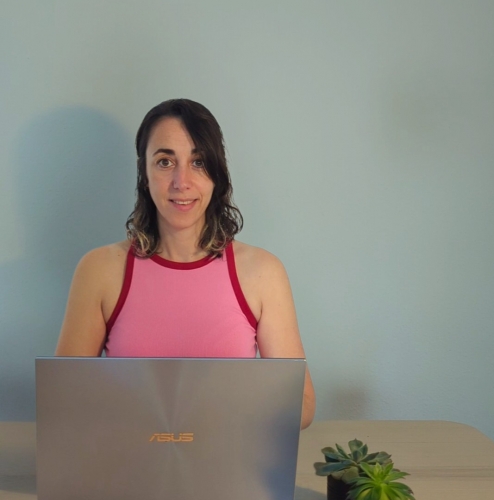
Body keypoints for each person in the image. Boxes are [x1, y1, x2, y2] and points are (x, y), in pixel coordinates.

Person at [55, 99, 315, 429]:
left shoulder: (263, 273)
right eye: (165, 162)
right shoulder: (99, 270)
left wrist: (216, 417)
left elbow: (302, 404)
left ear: (217, 173)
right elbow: (64, 397)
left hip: (228, 456)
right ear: (144, 173)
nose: (182, 182)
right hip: (127, 458)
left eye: (198, 162)